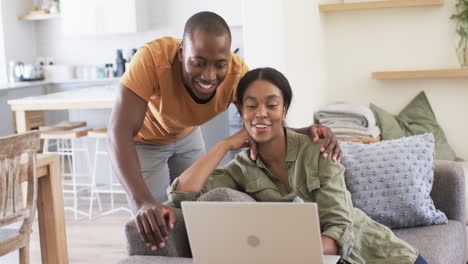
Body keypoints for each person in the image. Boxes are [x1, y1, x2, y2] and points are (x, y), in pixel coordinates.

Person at [108, 11, 342, 252]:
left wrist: (308, 131)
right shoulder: (152, 58)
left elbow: (262, 122)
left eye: (219, 65)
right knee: (156, 222)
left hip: (187, 135)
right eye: (198, 63)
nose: (209, 76)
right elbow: (119, 131)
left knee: (193, 211)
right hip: (145, 141)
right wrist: (143, 201)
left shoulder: (237, 74)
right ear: (181, 54)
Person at [167, 67, 428, 264]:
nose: (260, 113)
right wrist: (222, 145)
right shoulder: (242, 168)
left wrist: (287, 253)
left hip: (378, 255)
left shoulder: (318, 148)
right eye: (251, 106)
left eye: (271, 105)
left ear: (284, 109)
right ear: (241, 112)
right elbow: (181, 194)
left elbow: (340, 228)